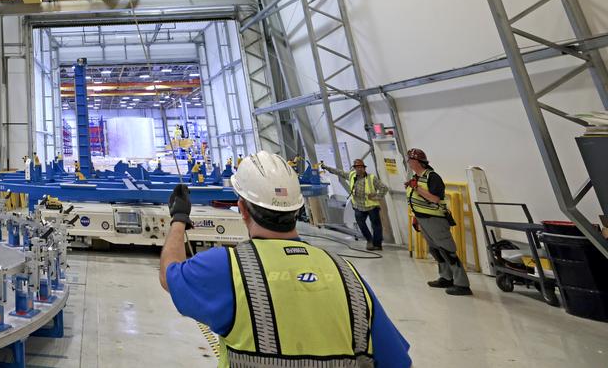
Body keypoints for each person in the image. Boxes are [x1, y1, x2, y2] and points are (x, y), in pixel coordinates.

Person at [159, 151, 410, 368]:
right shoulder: (348, 275)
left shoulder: (226, 268)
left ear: (242, 209)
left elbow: (170, 273)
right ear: (297, 209)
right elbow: (396, 361)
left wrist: (179, 218)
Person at [405, 147, 470, 296]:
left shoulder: (432, 177)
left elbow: (435, 198)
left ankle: (462, 284)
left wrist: (417, 188)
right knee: (435, 250)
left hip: (435, 220)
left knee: (447, 250)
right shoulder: (416, 177)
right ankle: (446, 277)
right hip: (423, 219)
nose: (408, 162)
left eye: (410, 160)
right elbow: (415, 200)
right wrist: (416, 217)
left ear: (417, 161)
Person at [322, 158, 388, 251]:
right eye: (357, 167)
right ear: (355, 168)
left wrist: (376, 196)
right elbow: (339, 172)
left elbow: (384, 188)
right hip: (358, 206)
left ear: (364, 168)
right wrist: (326, 167)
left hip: (371, 206)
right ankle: (369, 240)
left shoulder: (371, 178)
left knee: (376, 225)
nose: (359, 169)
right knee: (361, 224)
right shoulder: (351, 175)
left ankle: (377, 244)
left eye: (361, 167)